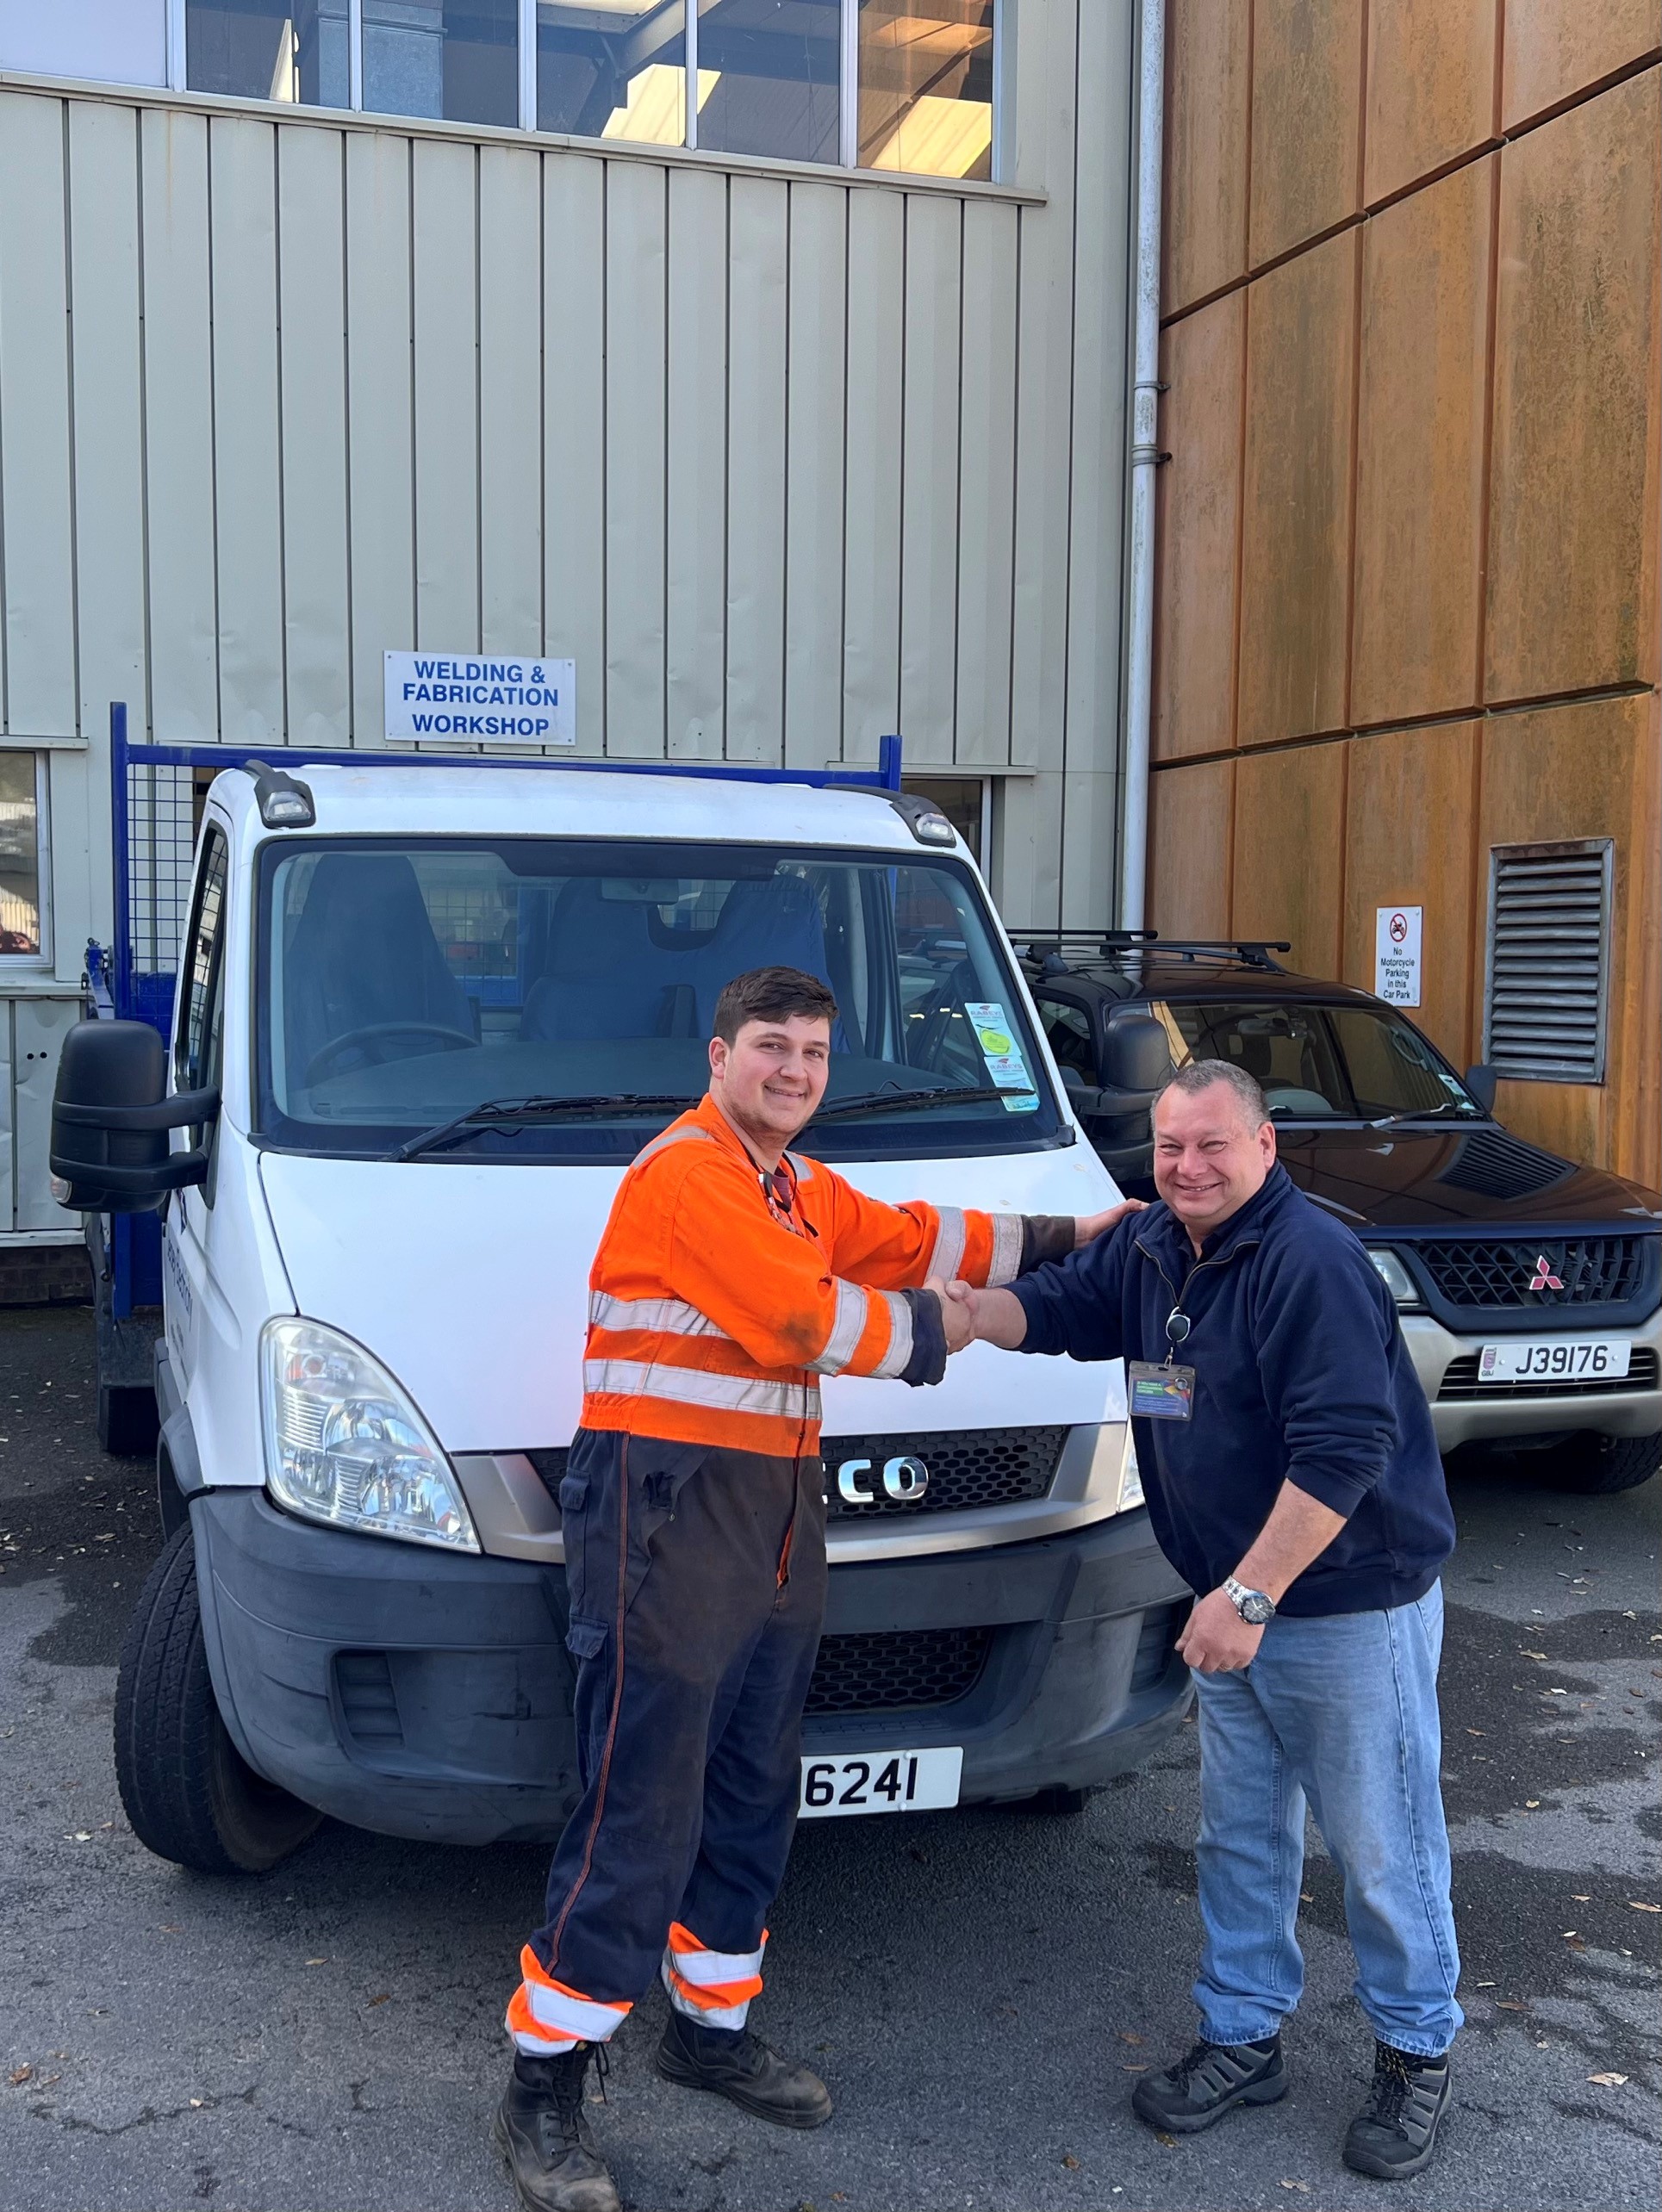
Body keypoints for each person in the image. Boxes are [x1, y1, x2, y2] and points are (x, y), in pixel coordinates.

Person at [496, 964, 1135, 2212]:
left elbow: (907, 1238)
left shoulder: (786, 1183)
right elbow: (808, 1322)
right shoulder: (690, 1175)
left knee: (750, 1791)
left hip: (773, 1515)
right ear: (719, 1055)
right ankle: (545, 2084)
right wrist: (975, 1324)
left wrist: (1074, 1238)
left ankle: (710, 2029)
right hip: (667, 1516)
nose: (794, 1072)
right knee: (640, 1809)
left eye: (813, 1055)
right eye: (772, 1048)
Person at [946, 1057, 1461, 2183]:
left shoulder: (1310, 1265)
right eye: (1170, 1146)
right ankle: (1242, 2035)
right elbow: (1067, 1308)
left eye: (1211, 1146)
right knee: (1239, 1835)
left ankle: (1415, 2053)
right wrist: (957, 1319)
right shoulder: (1150, 1248)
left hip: (1329, 1603)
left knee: (1380, 1844)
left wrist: (1245, 1596)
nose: (1185, 1166)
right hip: (1226, 1604)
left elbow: (1342, 1454)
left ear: (1263, 1148)